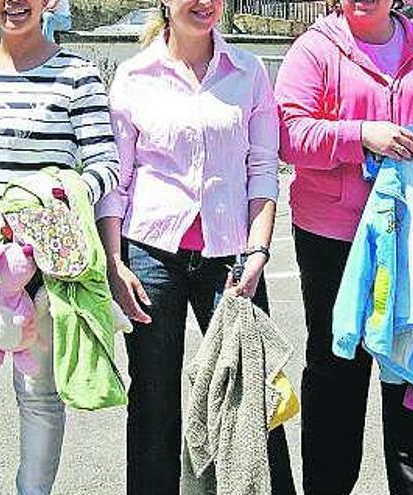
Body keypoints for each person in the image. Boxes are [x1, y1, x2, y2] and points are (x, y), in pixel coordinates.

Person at [98, 0, 295, 493]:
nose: (204, 3)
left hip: (233, 255)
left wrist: (259, 252)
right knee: (153, 398)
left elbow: (263, 170)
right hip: (148, 251)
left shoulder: (248, 72)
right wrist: (114, 261)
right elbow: (115, 181)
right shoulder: (134, 76)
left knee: (252, 392)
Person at [273, 0, 413, 492]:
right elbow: (288, 134)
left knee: (408, 357)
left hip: (411, 235)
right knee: (337, 364)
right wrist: (362, 135)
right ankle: (328, 485)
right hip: (333, 236)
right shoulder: (315, 50)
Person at [0, 0, 120, 492]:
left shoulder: (77, 75)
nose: (14, 3)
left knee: (38, 398)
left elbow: (106, 167)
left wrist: (50, 197)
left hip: (44, 272)